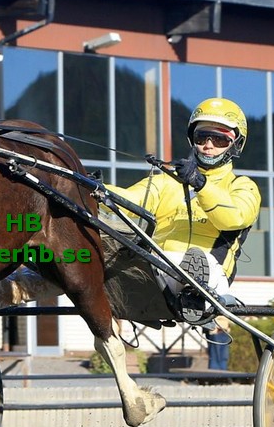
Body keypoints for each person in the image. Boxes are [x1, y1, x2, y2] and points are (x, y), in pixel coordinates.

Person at [103, 96, 261, 323]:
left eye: (219, 139)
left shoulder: (243, 186)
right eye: (202, 137)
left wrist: (201, 184)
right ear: (192, 139)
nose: (208, 145)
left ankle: (193, 288)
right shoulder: (166, 181)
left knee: (195, 260)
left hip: (212, 275)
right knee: (104, 244)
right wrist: (93, 189)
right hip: (157, 270)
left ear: (236, 144)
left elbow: (233, 218)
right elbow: (129, 200)